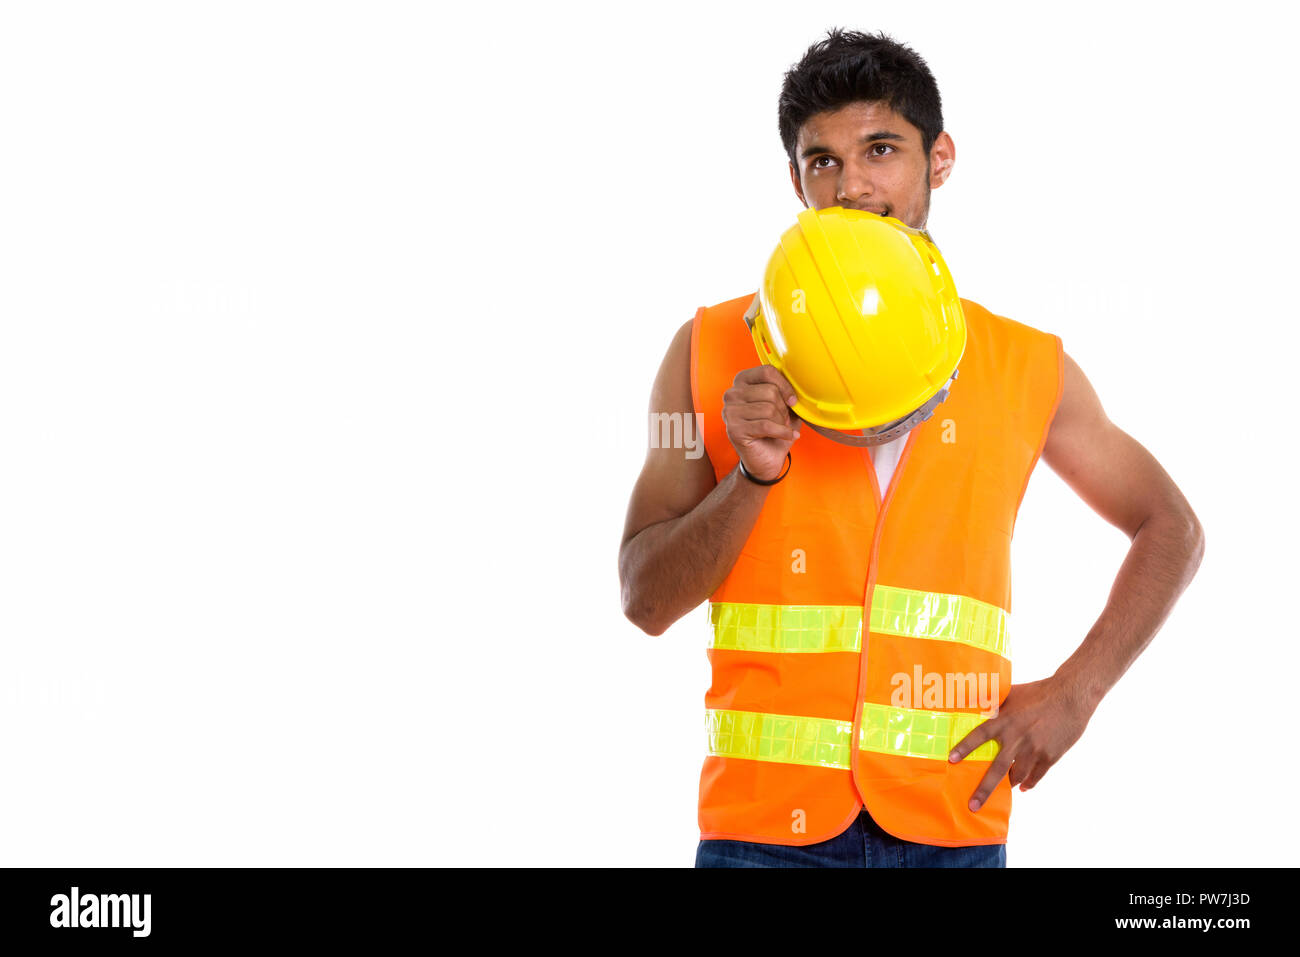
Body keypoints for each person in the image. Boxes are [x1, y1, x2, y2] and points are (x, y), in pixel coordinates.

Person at [617, 27, 1205, 868]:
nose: (851, 185)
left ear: (940, 159)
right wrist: (752, 474)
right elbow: (643, 598)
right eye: (822, 161)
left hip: (950, 827)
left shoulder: (1028, 364)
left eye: (880, 149)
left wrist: (1078, 693)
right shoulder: (704, 349)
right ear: (796, 180)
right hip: (760, 834)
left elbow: (1172, 526)